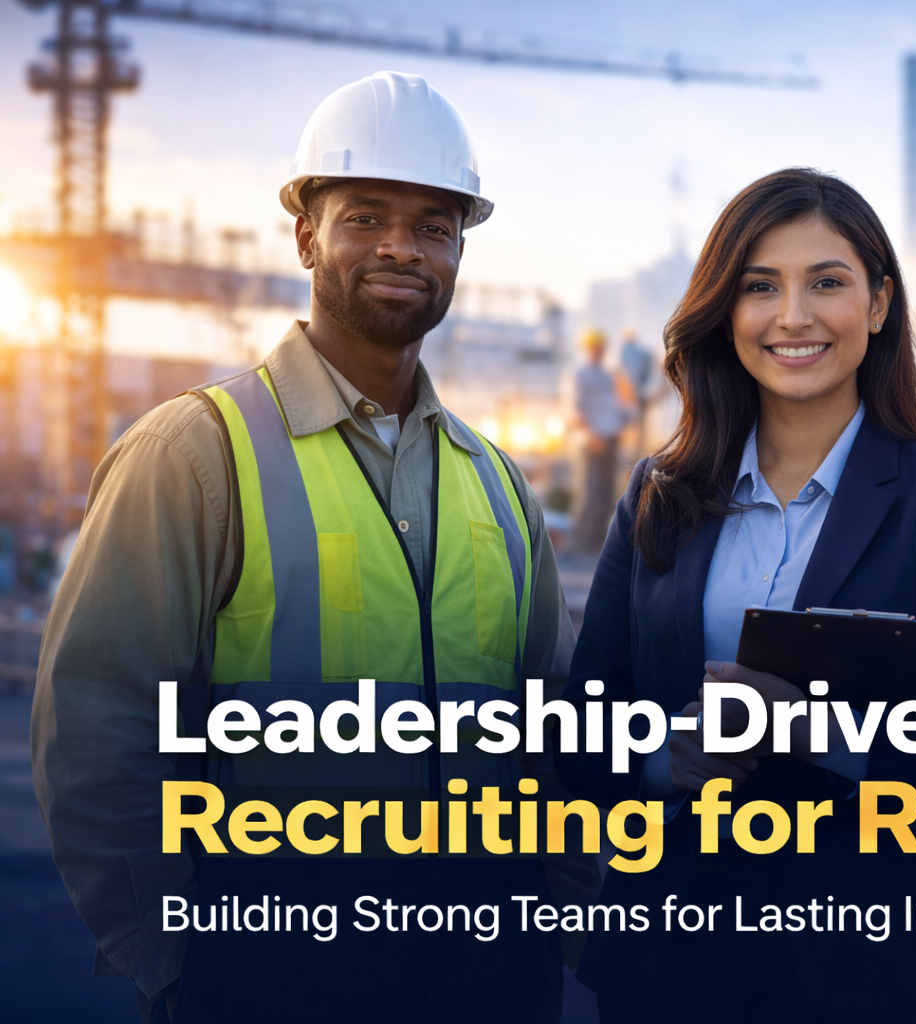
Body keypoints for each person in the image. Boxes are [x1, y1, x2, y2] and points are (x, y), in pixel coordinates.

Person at [31, 71, 595, 1024]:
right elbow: (97, 729)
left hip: (487, 984)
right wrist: (176, 970)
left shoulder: (500, 486)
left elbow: (559, 732)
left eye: (433, 226)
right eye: (365, 216)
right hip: (272, 984)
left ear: (460, 251)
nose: (400, 248)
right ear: (305, 236)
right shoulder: (195, 454)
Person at [555, 168, 916, 1023]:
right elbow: (574, 743)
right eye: (760, 287)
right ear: (726, 310)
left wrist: (825, 736)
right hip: (677, 968)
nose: (793, 316)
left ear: (879, 303)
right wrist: (658, 754)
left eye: (827, 282)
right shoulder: (657, 496)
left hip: (888, 974)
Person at [572, 327, 632, 551]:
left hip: (610, 439)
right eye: (594, 348)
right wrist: (592, 435)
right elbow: (575, 410)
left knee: (607, 495)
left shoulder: (607, 376)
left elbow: (615, 406)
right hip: (590, 442)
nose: (598, 351)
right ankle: (581, 543)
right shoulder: (579, 374)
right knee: (590, 494)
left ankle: (597, 542)